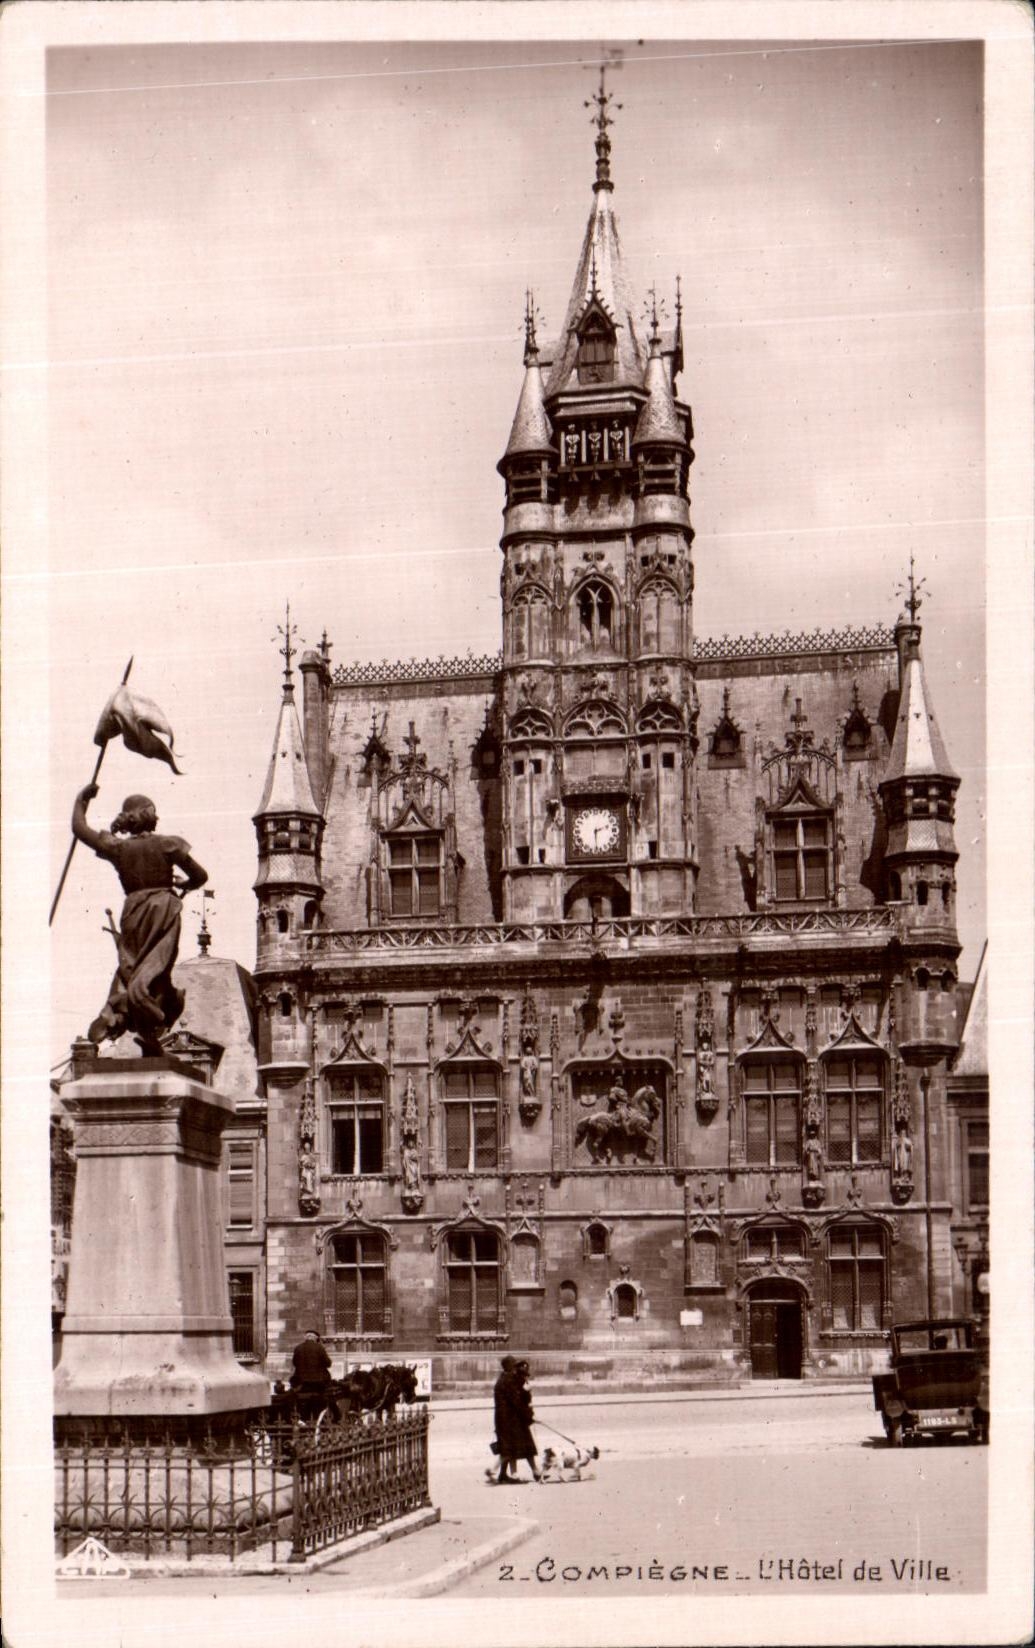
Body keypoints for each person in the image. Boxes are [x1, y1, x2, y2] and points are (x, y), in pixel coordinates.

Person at [71, 785, 208, 1055]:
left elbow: (79, 828)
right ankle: (149, 1018)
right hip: (163, 910)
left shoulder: (118, 848)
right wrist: (187, 883)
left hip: (133, 910)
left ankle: (118, 1015)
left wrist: (81, 801)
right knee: (157, 970)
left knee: (130, 966)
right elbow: (201, 876)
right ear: (149, 815)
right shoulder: (169, 844)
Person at [489, 1356, 540, 1484]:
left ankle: (506, 1474)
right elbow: (517, 1402)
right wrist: (529, 1414)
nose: (515, 1369)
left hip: (507, 1420)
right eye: (514, 1366)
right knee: (516, 1447)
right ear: (510, 1367)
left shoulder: (504, 1379)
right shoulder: (508, 1381)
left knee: (512, 1448)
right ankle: (508, 1473)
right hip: (510, 1421)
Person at [290, 1329, 333, 1394]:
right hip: (318, 1382)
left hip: (301, 1381)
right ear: (315, 1338)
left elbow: (294, 1363)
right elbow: (328, 1363)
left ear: (306, 1337)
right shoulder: (319, 1348)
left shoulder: (298, 1348)